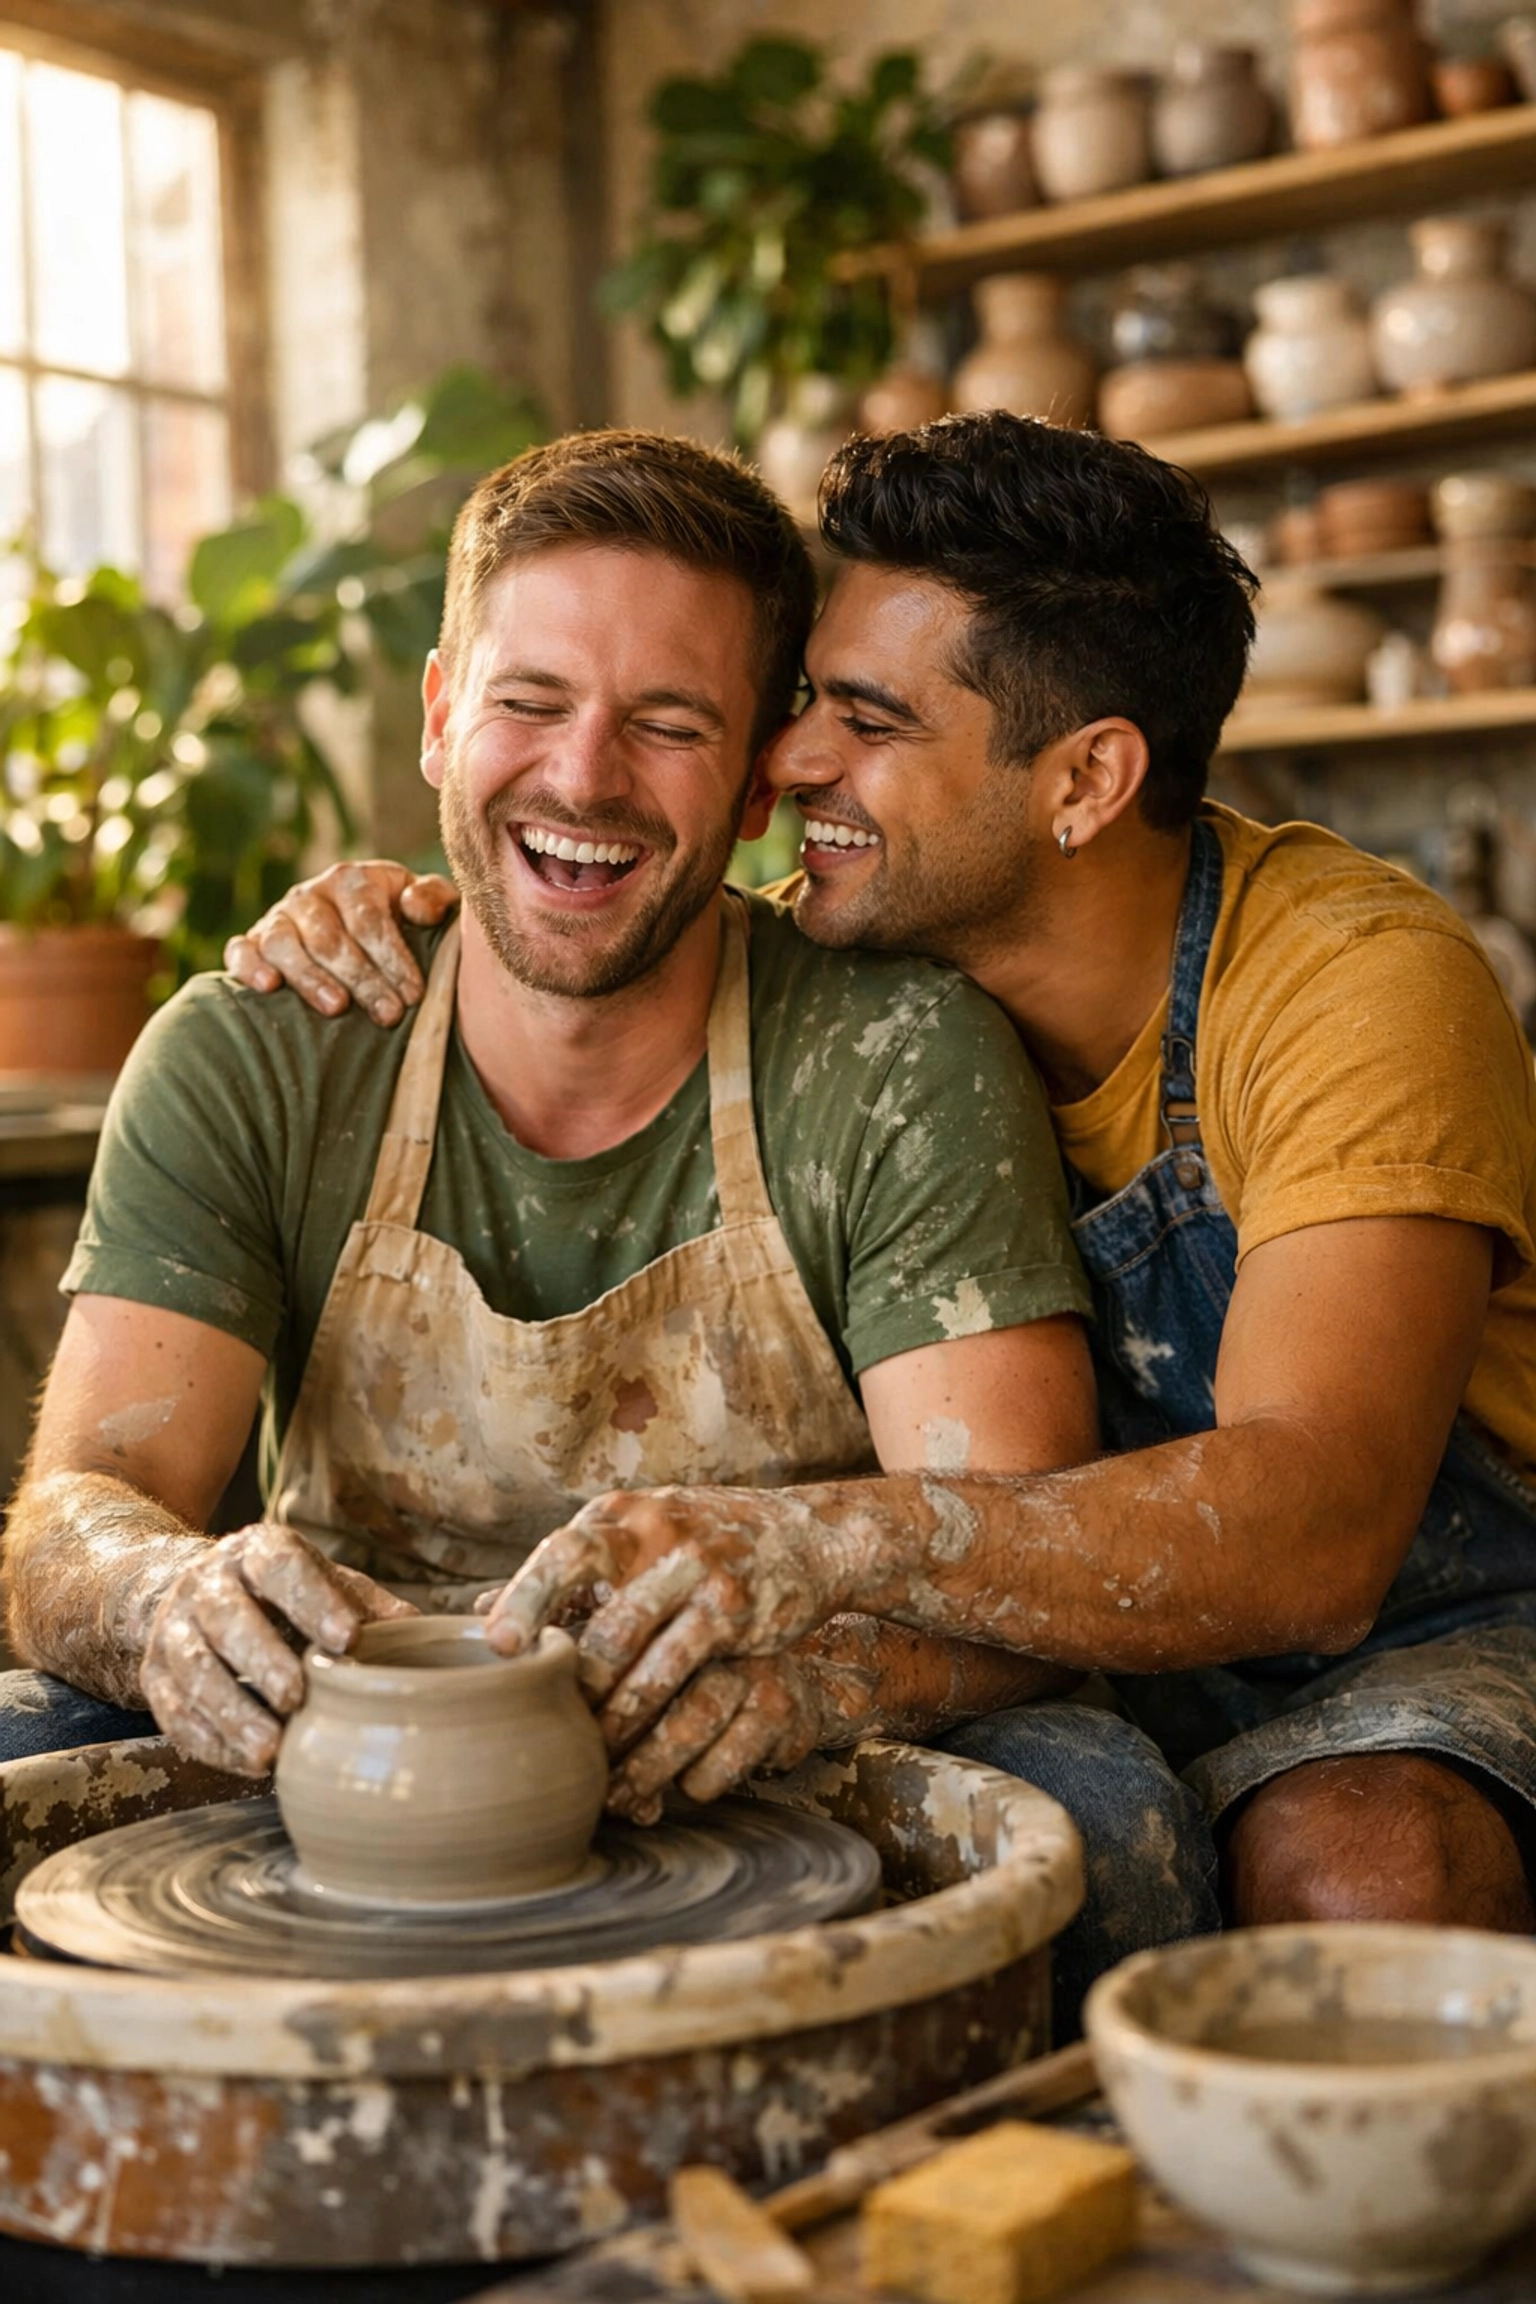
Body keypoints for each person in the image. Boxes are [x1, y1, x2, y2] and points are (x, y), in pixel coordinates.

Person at [243, 411, 1536, 1952]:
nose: (790, 763)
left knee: (1357, 1864)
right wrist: (404, 917)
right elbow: (590, 911)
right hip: (1051, 1640)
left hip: (1408, 1632)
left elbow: (1319, 1540)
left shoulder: (1351, 985)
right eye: (804, 706)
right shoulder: (871, 939)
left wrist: (816, 1548)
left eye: (867, 720)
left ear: (1085, 782)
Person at [2, 428, 1117, 1886]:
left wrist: (810, 1681)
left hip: (771, 1724)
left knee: (1101, 1807)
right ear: (439, 714)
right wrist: (163, 1598)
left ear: (760, 782)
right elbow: (76, 1508)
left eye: (668, 722)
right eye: (529, 702)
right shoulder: (260, 1049)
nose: (582, 778)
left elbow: (1015, 1557)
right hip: (349, 1748)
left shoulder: (898, 1057)